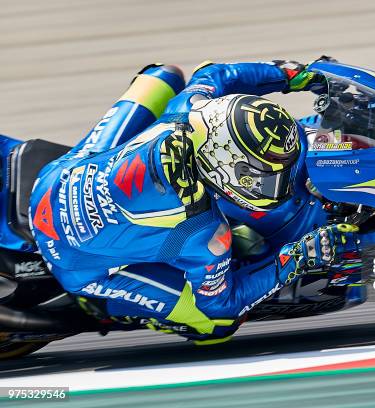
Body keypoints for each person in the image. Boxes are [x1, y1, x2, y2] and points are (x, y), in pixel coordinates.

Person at [29, 59, 357, 344]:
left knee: (163, 75)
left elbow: (217, 73)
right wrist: (295, 259)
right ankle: (99, 305)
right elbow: (223, 304)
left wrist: (295, 75)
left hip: (57, 179)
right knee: (215, 325)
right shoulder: (205, 234)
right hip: (70, 256)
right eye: (265, 176)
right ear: (224, 167)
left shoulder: (191, 110)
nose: (275, 185)